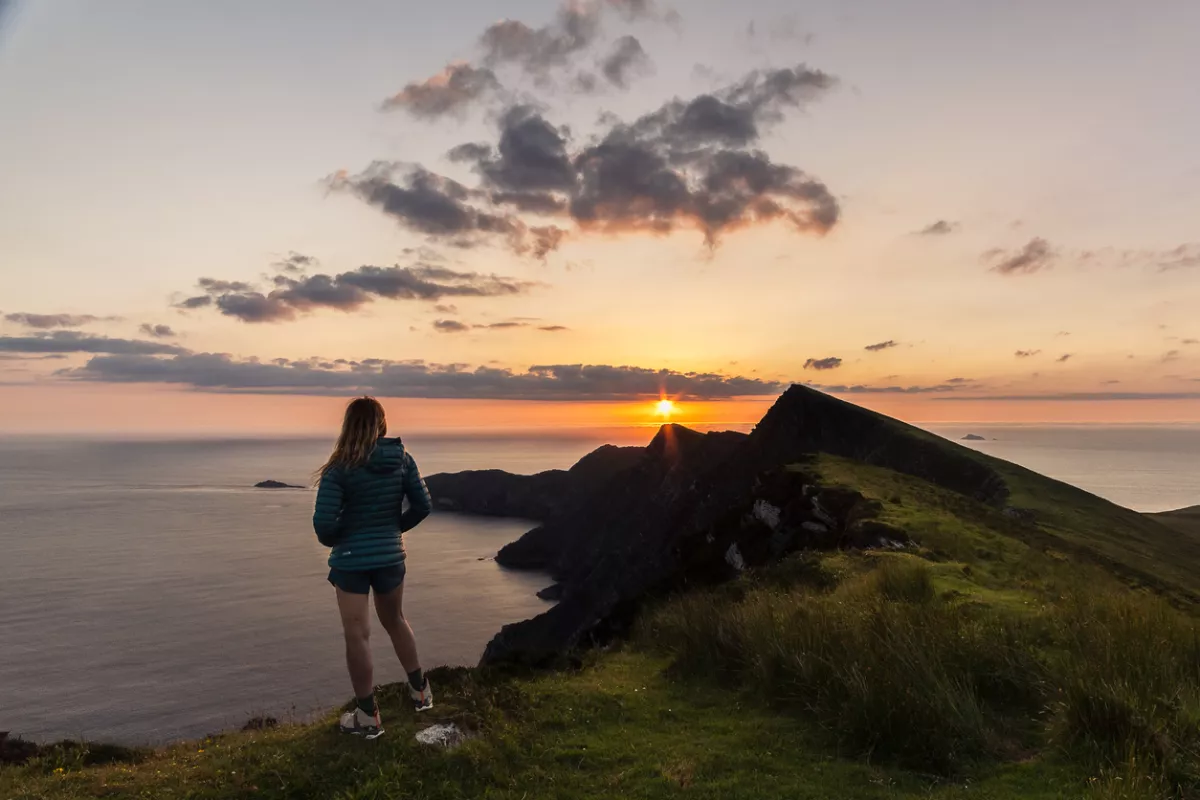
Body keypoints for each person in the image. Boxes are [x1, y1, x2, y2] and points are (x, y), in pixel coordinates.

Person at [313, 396, 433, 739]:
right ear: (381, 424)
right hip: (391, 557)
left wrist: (345, 536)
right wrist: (392, 531)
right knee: (395, 620)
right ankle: (420, 692)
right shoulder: (402, 460)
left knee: (358, 635)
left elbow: (323, 527)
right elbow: (423, 505)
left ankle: (368, 716)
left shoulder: (339, 469)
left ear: (348, 425)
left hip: (351, 562)